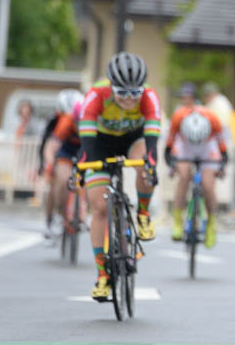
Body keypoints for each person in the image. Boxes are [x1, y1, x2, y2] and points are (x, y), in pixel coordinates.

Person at [79, 52, 160, 300]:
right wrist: (89, 162)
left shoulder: (150, 96)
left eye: (134, 93)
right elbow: (87, 135)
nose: (128, 99)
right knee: (99, 206)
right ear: (111, 86)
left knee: (145, 170)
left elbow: (152, 135)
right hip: (100, 143)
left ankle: (143, 214)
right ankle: (103, 274)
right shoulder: (96, 94)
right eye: (122, 93)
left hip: (132, 140)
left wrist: (151, 163)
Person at [165, 104, 229, 248]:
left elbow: (223, 148)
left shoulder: (213, 120)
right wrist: (171, 164)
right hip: (184, 145)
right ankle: (177, 221)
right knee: (183, 176)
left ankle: (211, 223)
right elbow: (168, 146)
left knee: (208, 185)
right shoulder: (178, 118)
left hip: (208, 146)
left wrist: (221, 166)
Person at [41, 89, 84, 239]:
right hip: (65, 151)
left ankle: (82, 212)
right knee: (61, 179)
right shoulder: (64, 122)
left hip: (84, 149)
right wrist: (50, 164)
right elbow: (50, 147)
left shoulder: (91, 119)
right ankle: (55, 216)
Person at [202, 81, 235, 146]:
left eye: (207, 95)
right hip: (226, 134)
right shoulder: (220, 101)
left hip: (225, 134)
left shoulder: (218, 103)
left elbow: (221, 123)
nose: (205, 98)